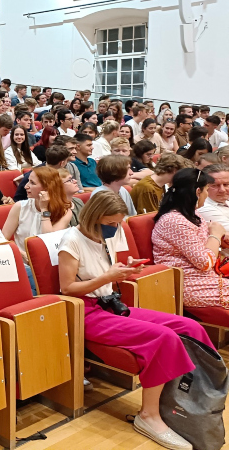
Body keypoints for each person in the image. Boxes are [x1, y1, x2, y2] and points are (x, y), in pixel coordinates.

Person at [58, 192, 211, 450]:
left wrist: (126, 268)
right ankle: (148, 416)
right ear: (93, 216)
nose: (115, 227)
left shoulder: (109, 233)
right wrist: (109, 276)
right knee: (164, 338)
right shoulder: (71, 240)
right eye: (110, 222)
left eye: (118, 222)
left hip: (111, 303)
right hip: (87, 311)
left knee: (190, 327)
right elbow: (68, 288)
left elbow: (107, 268)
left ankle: (191, 396)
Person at [152, 168, 228, 309]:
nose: (207, 195)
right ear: (198, 192)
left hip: (208, 279)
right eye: (206, 190)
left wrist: (218, 237)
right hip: (190, 285)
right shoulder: (174, 221)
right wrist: (215, 235)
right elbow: (205, 263)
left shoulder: (193, 214)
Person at [2, 166, 73, 293]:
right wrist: (21, 254)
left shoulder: (65, 211)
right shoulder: (19, 207)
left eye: (32, 183)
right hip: (23, 264)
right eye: (28, 181)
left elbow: (47, 241)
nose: (25, 186)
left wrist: (44, 209)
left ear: (47, 188)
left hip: (50, 265)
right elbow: (2, 239)